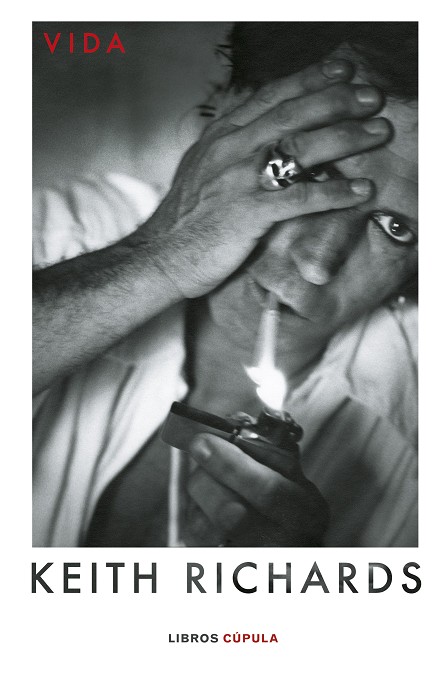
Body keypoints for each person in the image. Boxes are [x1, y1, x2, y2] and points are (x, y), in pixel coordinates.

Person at [33, 22, 418, 547]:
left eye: (397, 228)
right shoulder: (55, 236)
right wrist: (156, 256)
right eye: (310, 172)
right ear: (224, 120)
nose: (317, 264)